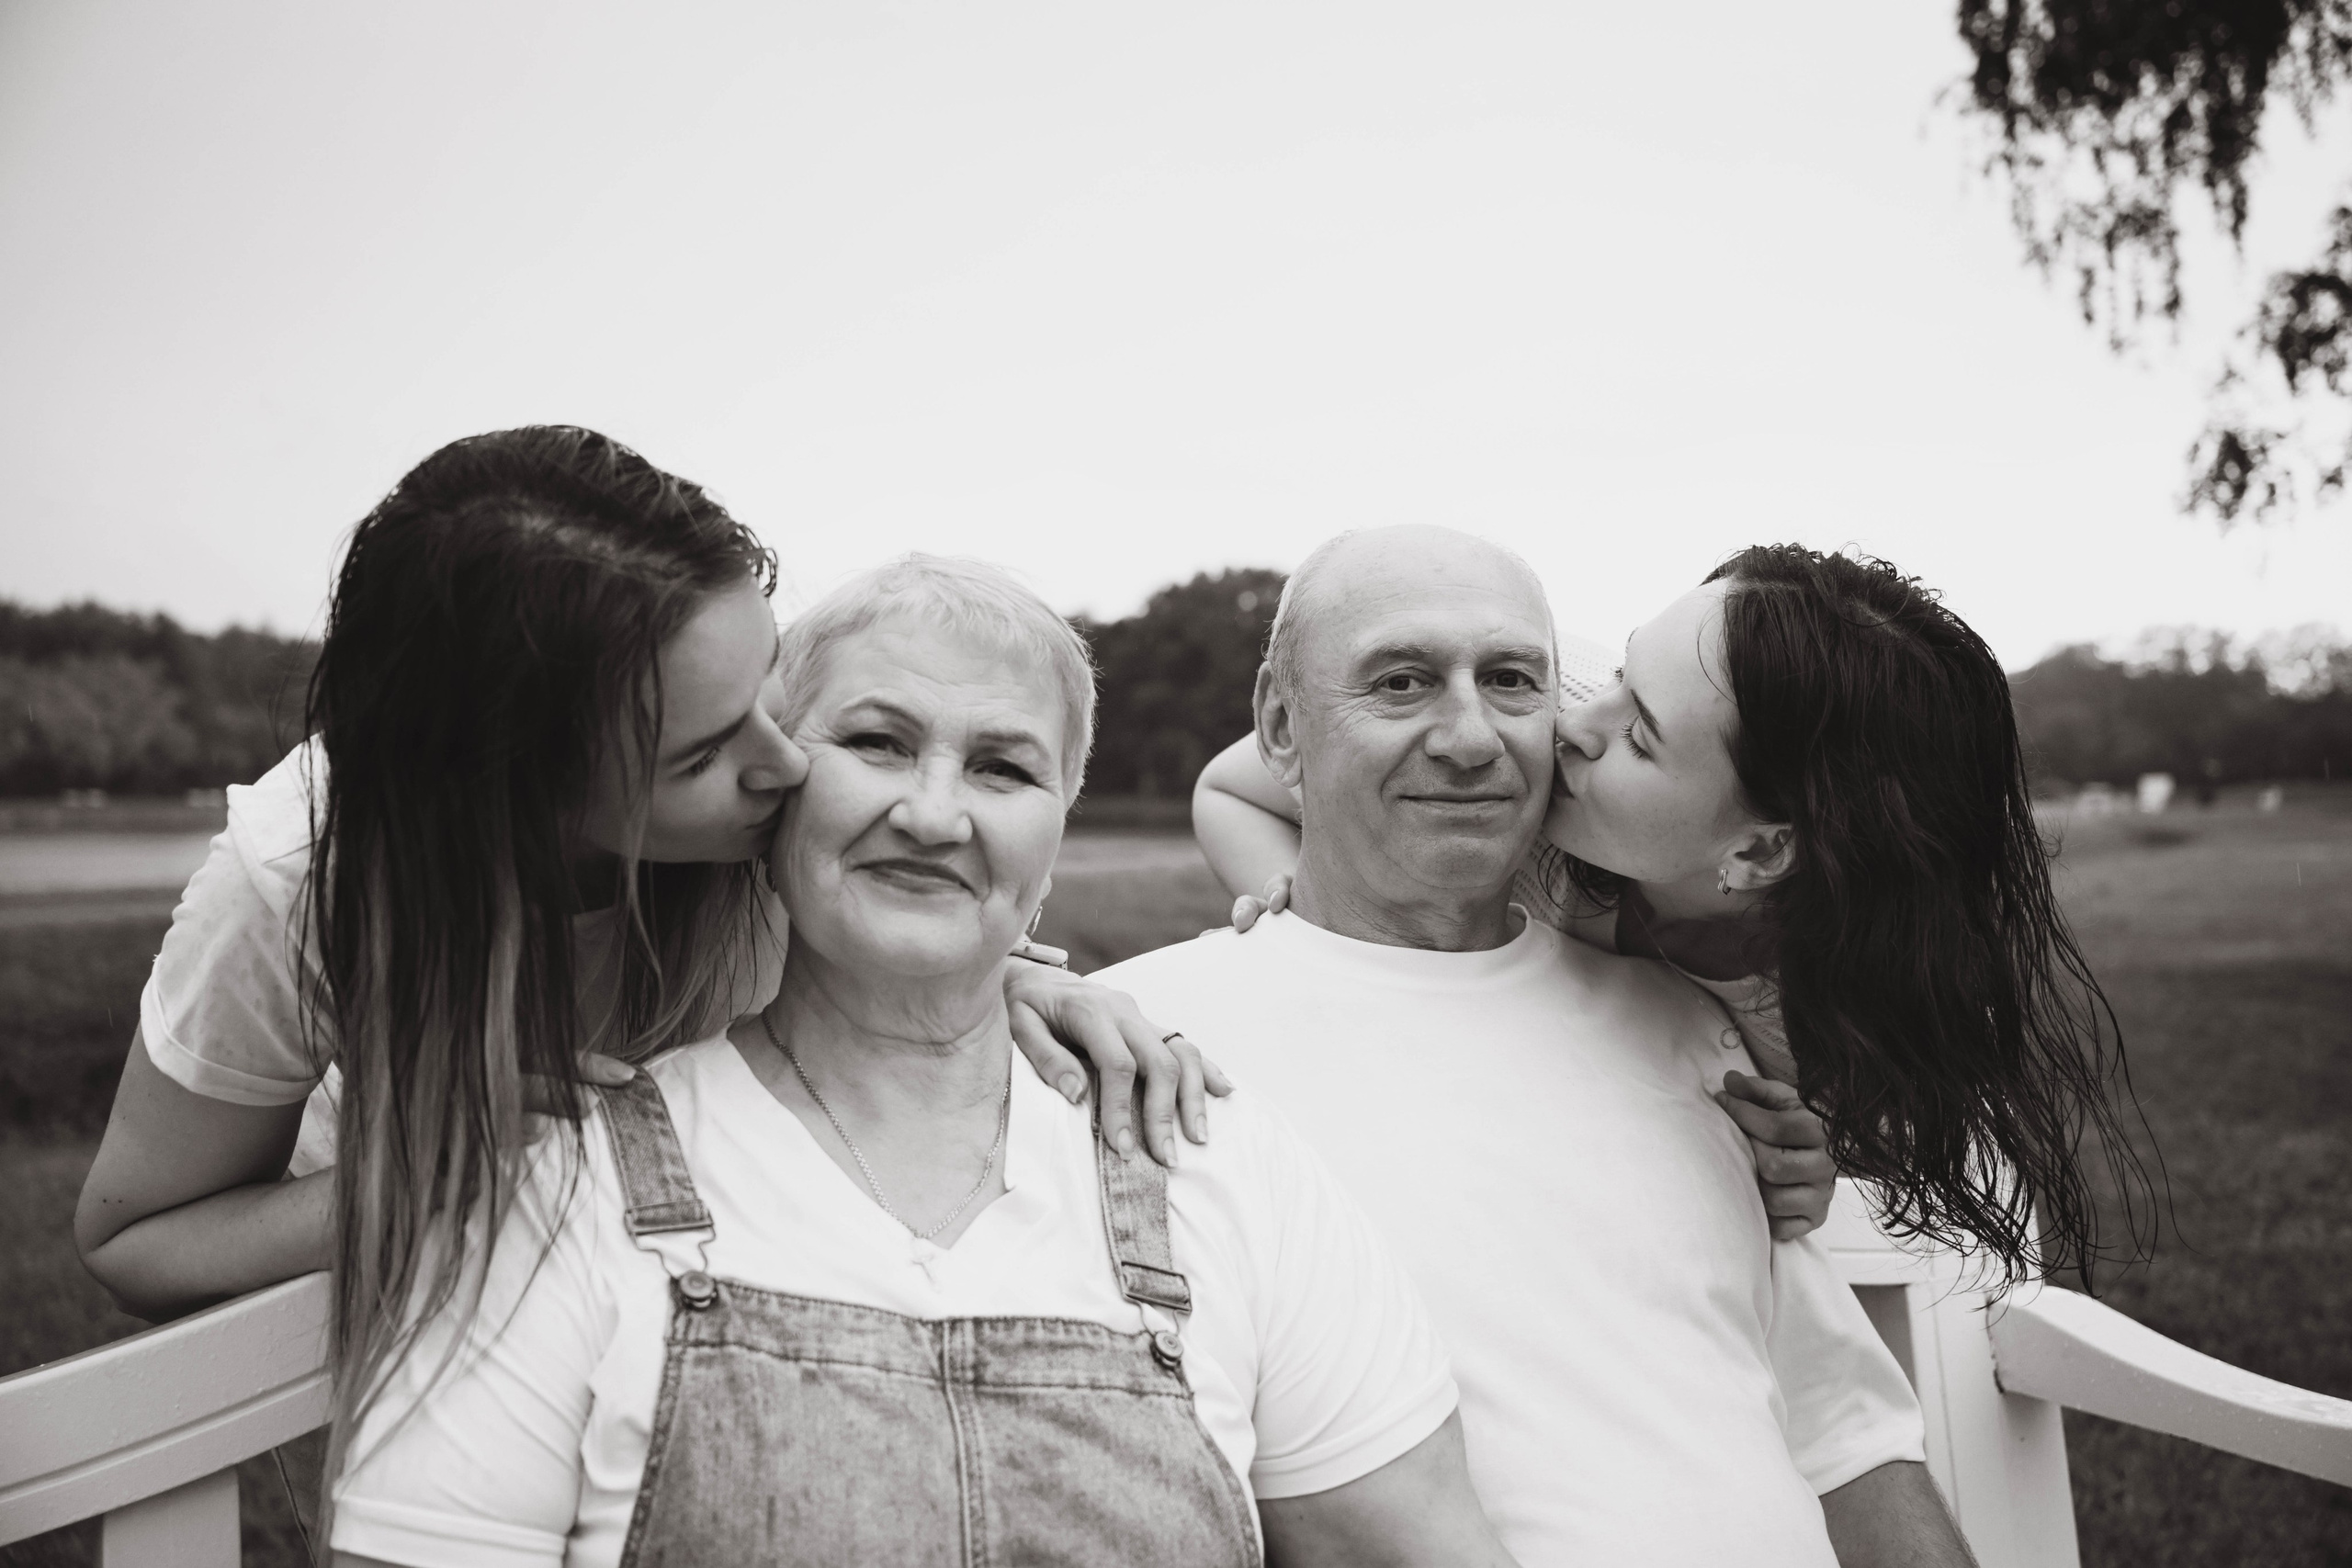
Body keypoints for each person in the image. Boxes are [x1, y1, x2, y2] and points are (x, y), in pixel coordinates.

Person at [329, 557, 1514, 1568]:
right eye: (877, 743)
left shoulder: (1208, 1158)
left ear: (1054, 835)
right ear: (775, 791)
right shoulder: (565, 1189)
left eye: (1002, 768)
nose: (935, 815)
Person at [74, 428, 1217, 1434]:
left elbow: (921, 882)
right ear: (522, 798)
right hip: (452, 1358)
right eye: (704, 757)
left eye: (768, 687)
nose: (785, 763)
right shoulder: (300, 882)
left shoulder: (774, 788)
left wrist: (1002, 981)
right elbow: (135, 1241)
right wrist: (421, 1172)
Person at [1098, 525, 1965, 1566]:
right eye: (1401, 682)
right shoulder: (1140, 1039)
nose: (1476, 739)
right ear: (1281, 727)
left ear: (1759, 851)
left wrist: (1800, 1154)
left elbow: (1849, 1437)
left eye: (1512, 681)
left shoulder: (1709, 1026)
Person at [1193, 538, 2147, 1278]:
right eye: (1618, 677)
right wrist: (1301, 915)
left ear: (1759, 850)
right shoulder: (1512, 754)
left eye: (1637, 734)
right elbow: (1238, 788)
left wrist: (1801, 1175)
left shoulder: (1806, 1026)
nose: (1569, 725)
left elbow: (1749, 1189)